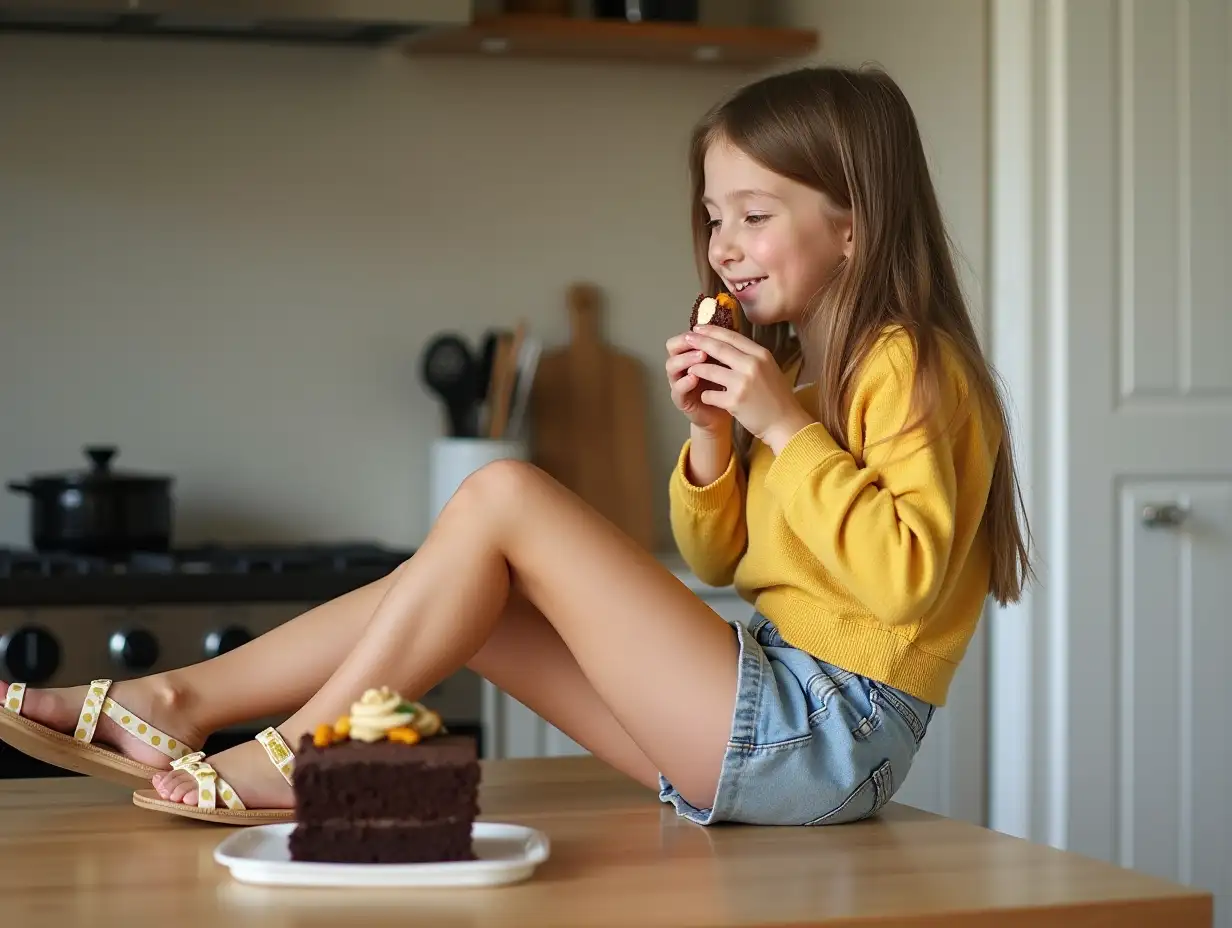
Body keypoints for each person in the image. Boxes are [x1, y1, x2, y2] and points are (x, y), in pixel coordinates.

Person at [0, 65, 1030, 826]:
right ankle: (170, 701)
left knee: (501, 495)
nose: (721, 245)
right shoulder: (796, 378)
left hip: (824, 730)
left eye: (753, 215)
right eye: (713, 216)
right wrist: (715, 439)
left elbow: (900, 581)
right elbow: (719, 560)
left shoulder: (911, 364)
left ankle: (303, 751)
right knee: (465, 594)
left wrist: (779, 427)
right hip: (771, 719)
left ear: (853, 227)